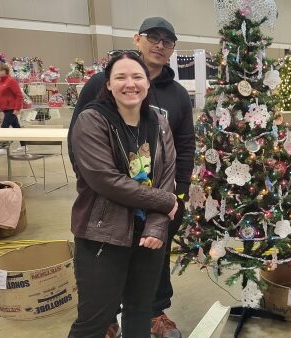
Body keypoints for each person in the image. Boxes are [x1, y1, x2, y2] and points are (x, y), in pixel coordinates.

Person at [68, 17, 195, 338]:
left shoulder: (161, 119)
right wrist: (166, 202)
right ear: (106, 84)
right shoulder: (93, 117)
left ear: (148, 86)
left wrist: (164, 211)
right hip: (104, 228)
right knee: (94, 319)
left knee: (140, 308)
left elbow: (172, 164)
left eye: (137, 77)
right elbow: (103, 177)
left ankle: (156, 313)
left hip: (147, 226)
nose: (130, 83)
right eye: (121, 77)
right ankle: (109, 319)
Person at [0, 62, 25, 153]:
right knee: (17, 128)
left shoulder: (11, 81)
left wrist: (17, 108)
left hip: (12, 109)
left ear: (4, 71)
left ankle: (3, 147)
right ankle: (24, 146)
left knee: (4, 127)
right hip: (5, 109)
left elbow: (19, 95)